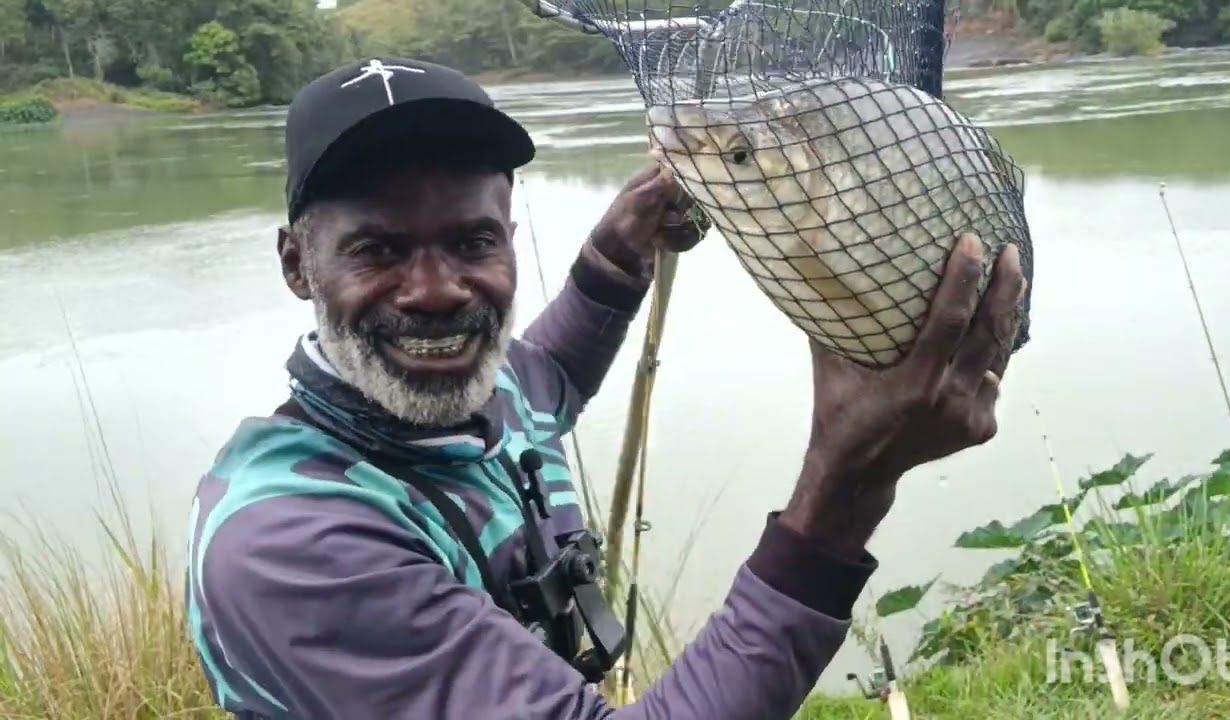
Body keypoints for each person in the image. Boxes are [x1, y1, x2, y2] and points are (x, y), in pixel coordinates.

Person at [185, 56, 1027, 720]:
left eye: (473, 241)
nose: (436, 289)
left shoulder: (452, 402)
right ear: (298, 263)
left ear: (510, 237)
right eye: (379, 250)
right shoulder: (288, 547)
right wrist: (849, 484)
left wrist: (616, 261)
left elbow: (539, 382)